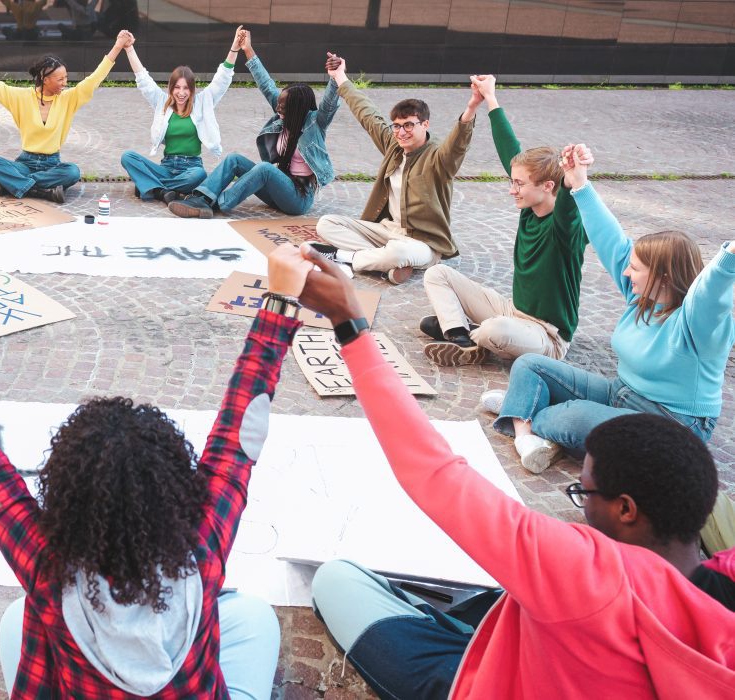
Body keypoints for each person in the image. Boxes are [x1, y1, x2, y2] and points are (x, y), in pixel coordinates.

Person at [0, 250, 322, 699]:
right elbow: (237, 439)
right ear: (175, 497)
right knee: (254, 616)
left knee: (18, 620)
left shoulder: (47, 568)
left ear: (66, 497)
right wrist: (280, 302)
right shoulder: (204, 547)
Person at [278, 245, 735, 698]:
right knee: (495, 600)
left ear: (627, 510)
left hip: (484, 681)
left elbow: (434, 472)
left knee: (336, 579)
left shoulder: (581, 570)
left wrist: (351, 325)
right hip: (540, 640)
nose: (578, 509)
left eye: (583, 492)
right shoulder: (722, 580)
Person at [486, 143, 733, 473]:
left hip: (672, 423)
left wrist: (730, 256)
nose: (626, 272)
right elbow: (609, 237)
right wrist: (579, 182)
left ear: (663, 276)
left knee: (572, 417)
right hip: (621, 393)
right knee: (532, 364)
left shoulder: (698, 321)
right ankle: (525, 418)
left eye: (635, 268)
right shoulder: (641, 297)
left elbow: (714, 287)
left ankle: (523, 413)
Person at [419, 74, 587, 367]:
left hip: (547, 335)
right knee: (437, 274)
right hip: (512, 311)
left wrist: (575, 177)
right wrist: (490, 98)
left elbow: (570, 205)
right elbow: (509, 149)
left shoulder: (566, 227)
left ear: (548, 186)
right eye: (513, 182)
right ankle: (460, 334)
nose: (512, 190)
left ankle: (471, 333)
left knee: (496, 330)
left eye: (519, 184)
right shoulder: (529, 208)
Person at [316, 53, 476, 285]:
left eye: (409, 125)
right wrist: (340, 76)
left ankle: (346, 257)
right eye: (397, 126)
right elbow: (367, 113)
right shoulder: (394, 145)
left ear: (425, 124)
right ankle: (384, 267)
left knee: (398, 253)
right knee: (327, 224)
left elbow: (458, 145)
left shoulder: (438, 157)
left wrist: (472, 106)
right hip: (387, 231)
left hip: (424, 243)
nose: (401, 132)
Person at [169, 28, 338, 220]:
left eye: (282, 108)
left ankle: (217, 203)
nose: (278, 110)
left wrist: (335, 76)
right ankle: (201, 197)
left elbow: (330, 104)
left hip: (298, 199)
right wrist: (247, 49)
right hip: (277, 191)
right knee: (234, 159)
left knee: (265, 169)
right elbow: (266, 83)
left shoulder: (315, 123)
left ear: (297, 109)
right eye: (278, 106)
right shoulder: (285, 113)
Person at [0, 32, 132, 203]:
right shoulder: (21, 97)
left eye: (66, 78)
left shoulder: (69, 98)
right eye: (60, 79)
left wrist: (117, 46)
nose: (65, 83)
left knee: (72, 172)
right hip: (25, 163)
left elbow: (94, 79)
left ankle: (12, 185)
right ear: (45, 79)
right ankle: (43, 191)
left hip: (52, 165)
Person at [118, 26, 239, 203]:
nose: (181, 93)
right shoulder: (162, 102)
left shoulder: (203, 102)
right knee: (128, 157)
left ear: (191, 89)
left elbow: (222, 78)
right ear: (171, 88)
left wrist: (235, 47)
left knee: (199, 175)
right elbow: (143, 78)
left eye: (186, 88)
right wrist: (128, 48)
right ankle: (162, 190)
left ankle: (152, 187)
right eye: (177, 87)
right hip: (166, 166)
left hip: (191, 168)